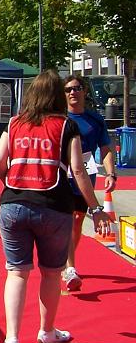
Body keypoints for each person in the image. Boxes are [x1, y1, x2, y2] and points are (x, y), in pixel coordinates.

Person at [0, 71, 110, 343]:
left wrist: (11, 183)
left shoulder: (14, 122)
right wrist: (95, 208)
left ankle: (11, 338)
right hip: (54, 206)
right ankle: (47, 331)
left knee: (17, 272)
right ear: (57, 94)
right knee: (50, 273)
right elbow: (78, 170)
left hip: (12, 204)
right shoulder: (66, 125)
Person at [62, 74, 117, 292]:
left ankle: (66, 263)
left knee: (77, 220)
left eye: (76, 88)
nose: (72, 93)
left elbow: (105, 149)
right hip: (62, 176)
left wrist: (111, 173)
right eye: (68, 90)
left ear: (84, 91)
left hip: (86, 178)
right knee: (66, 220)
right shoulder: (59, 118)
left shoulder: (95, 120)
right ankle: (70, 267)